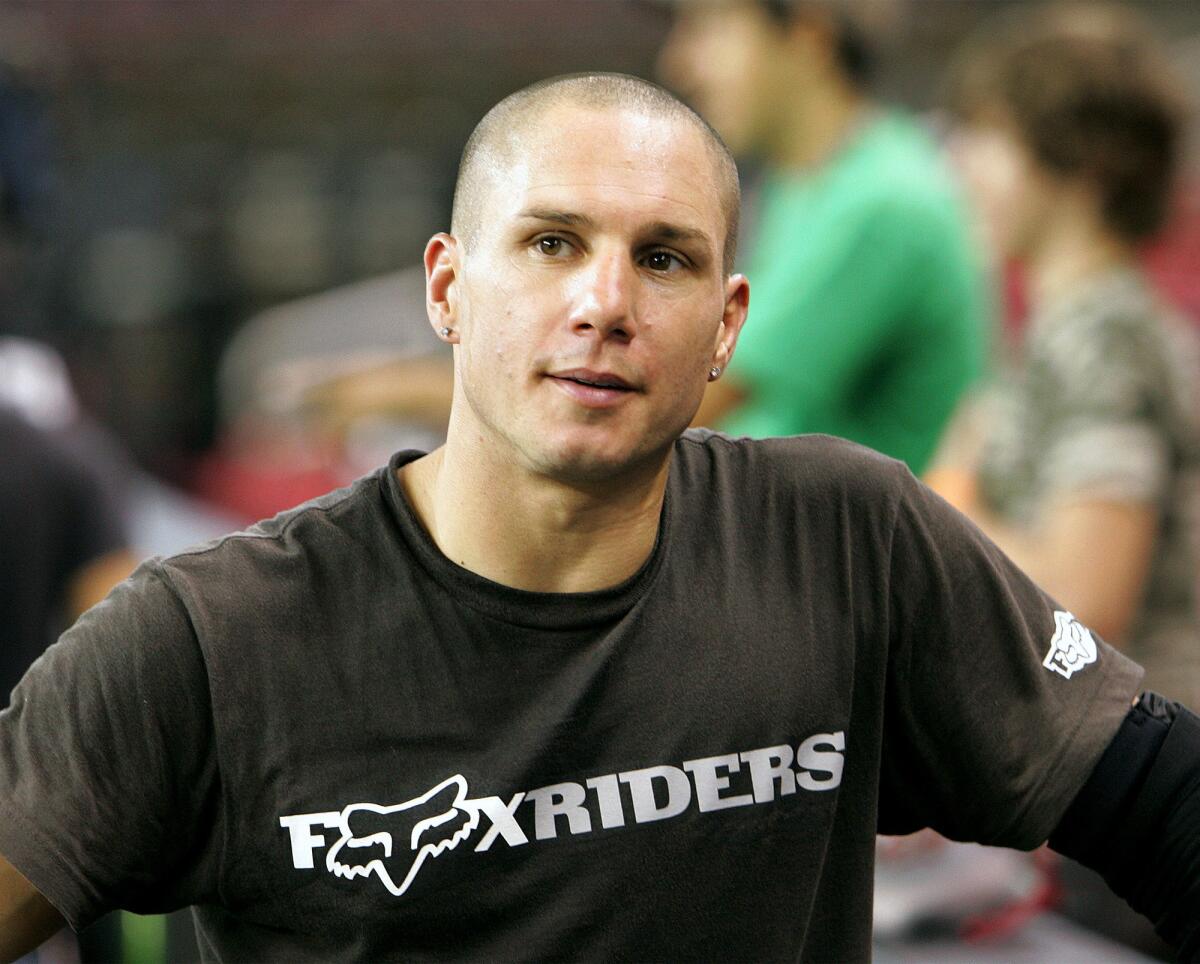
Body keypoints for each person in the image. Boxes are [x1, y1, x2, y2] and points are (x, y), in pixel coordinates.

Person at [0, 73, 1197, 961]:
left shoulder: (845, 541)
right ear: (447, 288)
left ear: (727, 327)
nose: (605, 303)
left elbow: (1163, 798)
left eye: (664, 259)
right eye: (552, 242)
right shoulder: (210, 641)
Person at [930, 3, 1200, 954]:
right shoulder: (1060, 333)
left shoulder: (1105, 336)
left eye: (991, 139)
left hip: (1138, 810)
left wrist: (949, 508)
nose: (962, 165)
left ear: (1078, 165)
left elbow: (1087, 599)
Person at [656, 0, 989, 474]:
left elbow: (687, 405)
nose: (679, 63)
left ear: (810, 39)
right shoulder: (805, 181)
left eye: (712, 28)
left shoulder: (879, 202)